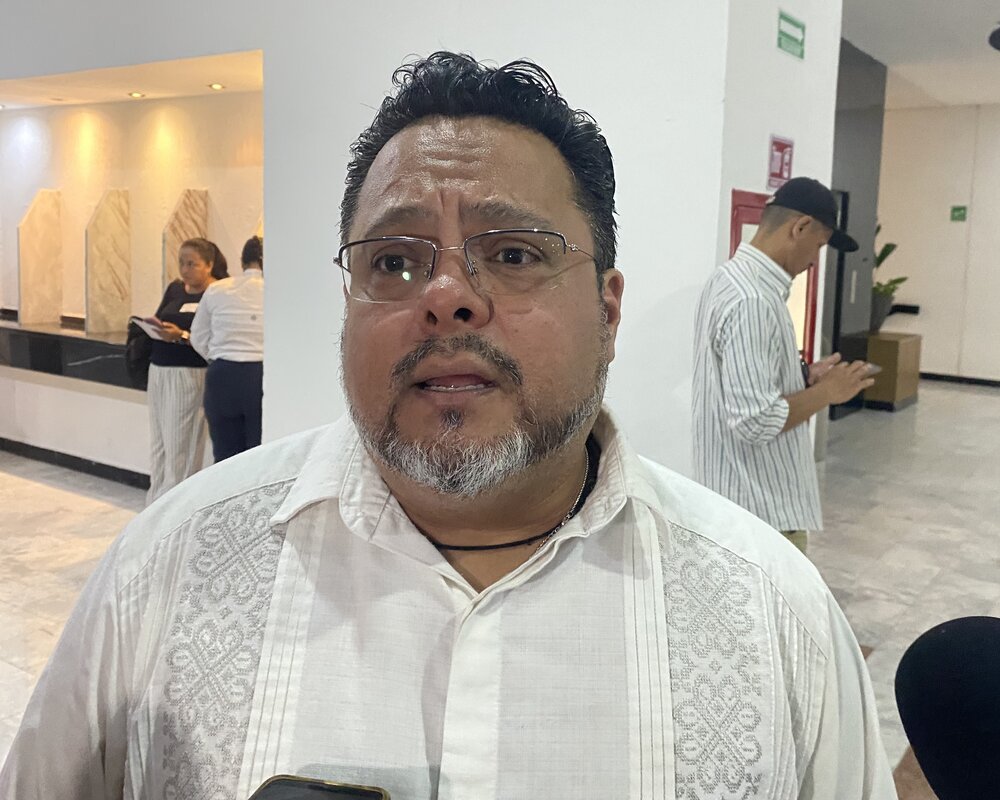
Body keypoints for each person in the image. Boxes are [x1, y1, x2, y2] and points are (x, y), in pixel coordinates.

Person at [1, 55, 896, 799]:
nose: (447, 296)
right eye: (394, 260)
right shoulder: (165, 570)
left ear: (608, 311)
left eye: (514, 254)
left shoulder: (775, 618)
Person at [692, 178, 877, 554]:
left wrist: (803, 378)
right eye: (820, 246)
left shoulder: (728, 280)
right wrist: (828, 393)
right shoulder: (753, 300)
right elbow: (755, 420)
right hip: (761, 520)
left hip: (737, 509)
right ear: (800, 227)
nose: (814, 262)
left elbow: (738, 384)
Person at [142, 237, 228, 503]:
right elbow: (160, 318)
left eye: (192, 264)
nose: (185, 269)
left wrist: (181, 335)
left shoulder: (216, 293)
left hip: (189, 373)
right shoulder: (175, 288)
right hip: (160, 370)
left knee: (181, 443)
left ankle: (175, 506)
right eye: (181, 263)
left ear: (209, 265)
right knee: (160, 443)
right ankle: (154, 503)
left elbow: (215, 338)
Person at [190, 235, 265, 461]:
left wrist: (218, 356)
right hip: (261, 376)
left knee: (224, 456)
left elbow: (198, 336)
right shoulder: (276, 290)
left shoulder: (216, 290)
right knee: (260, 454)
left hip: (222, 375)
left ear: (242, 261)